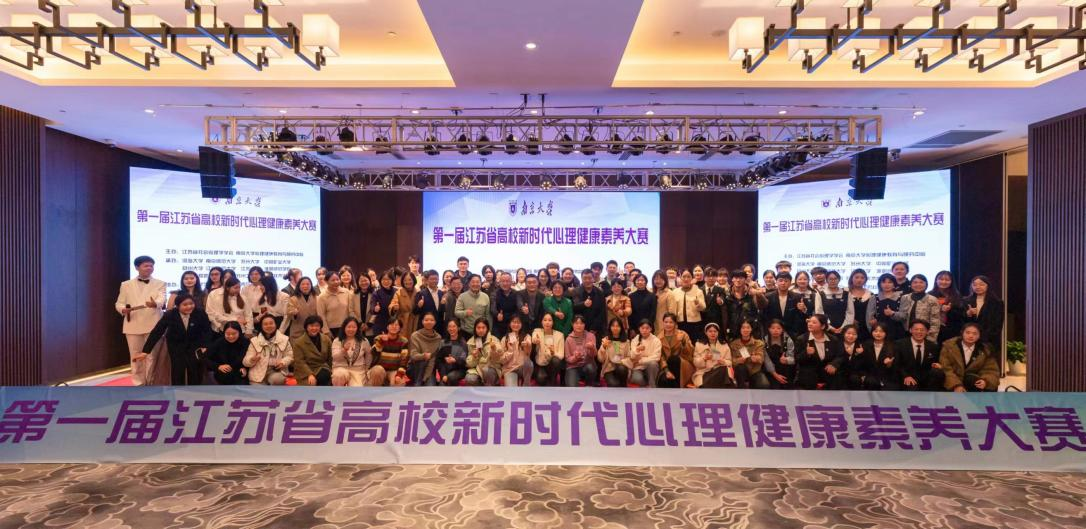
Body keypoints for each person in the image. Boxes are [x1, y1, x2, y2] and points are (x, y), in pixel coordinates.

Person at [115, 255, 166, 386]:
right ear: (137, 267)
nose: (149, 268)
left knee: (152, 356)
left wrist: (155, 304)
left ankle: (151, 382)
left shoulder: (160, 283)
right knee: (135, 355)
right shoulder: (126, 284)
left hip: (153, 323)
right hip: (132, 324)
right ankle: (138, 384)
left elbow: (162, 299)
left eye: (151, 265)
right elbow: (119, 303)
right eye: (146, 265)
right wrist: (122, 309)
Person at [142, 292, 212, 385]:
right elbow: (157, 331)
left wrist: (205, 346)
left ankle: (195, 390)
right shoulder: (170, 315)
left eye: (191, 303)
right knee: (178, 370)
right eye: (185, 305)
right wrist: (146, 351)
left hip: (195, 345)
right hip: (176, 345)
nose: (189, 307)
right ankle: (177, 390)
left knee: (195, 370)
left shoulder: (200, 313)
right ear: (178, 306)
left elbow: (207, 330)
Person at [941, 323, 999, 392]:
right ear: (962, 333)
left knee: (976, 381)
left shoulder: (985, 350)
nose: (971, 336)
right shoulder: (949, 346)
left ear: (979, 336)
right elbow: (946, 369)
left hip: (971, 381)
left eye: (975, 334)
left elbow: (991, 370)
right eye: (967, 333)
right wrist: (956, 385)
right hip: (952, 381)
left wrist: (985, 381)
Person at [795, 314, 844, 390]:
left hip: (827, 370)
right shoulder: (801, 339)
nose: (810, 324)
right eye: (809, 321)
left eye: (814, 322)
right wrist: (806, 353)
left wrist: (834, 364)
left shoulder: (833, 339)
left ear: (823, 326)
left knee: (837, 377)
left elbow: (840, 355)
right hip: (809, 372)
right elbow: (797, 358)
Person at [895, 319, 945, 391]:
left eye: (922, 330)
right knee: (911, 386)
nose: (919, 332)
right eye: (916, 329)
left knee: (938, 373)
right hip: (908, 377)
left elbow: (935, 362)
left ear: (927, 331)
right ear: (910, 330)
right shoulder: (899, 344)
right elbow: (897, 364)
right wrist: (906, 376)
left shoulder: (933, 346)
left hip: (926, 378)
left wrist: (937, 365)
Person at [331, 317, 383, 386]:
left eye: (354, 327)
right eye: (349, 327)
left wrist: (366, 368)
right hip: (341, 368)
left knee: (356, 387)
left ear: (357, 328)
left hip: (358, 371)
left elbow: (369, 355)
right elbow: (334, 357)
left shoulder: (364, 341)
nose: (351, 329)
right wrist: (343, 350)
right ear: (344, 328)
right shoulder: (337, 340)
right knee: (339, 375)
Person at [243, 313, 293, 385]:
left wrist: (283, 362)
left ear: (275, 325)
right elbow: (245, 362)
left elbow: (289, 356)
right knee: (258, 390)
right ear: (261, 326)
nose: (269, 326)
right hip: (257, 373)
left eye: (271, 323)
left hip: (276, 371)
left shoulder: (284, 339)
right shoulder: (255, 341)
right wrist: (252, 359)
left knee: (278, 380)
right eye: (265, 324)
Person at [963, 275, 1005, 356]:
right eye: (974, 284)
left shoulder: (997, 302)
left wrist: (982, 337)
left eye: (981, 284)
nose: (977, 287)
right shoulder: (965, 301)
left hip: (989, 340)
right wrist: (968, 314)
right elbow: (961, 322)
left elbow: (997, 324)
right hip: (969, 340)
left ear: (988, 286)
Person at [894, 274, 942, 342]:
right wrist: (892, 314)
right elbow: (902, 316)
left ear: (926, 284)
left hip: (925, 335)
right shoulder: (905, 297)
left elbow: (935, 322)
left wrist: (930, 339)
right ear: (911, 284)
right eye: (915, 282)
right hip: (906, 334)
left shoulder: (932, 299)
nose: (918, 284)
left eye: (921, 282)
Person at [724, 269, 768, 341]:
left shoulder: (752, 292)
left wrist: (758, 293)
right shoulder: (727, 293)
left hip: (751, 330)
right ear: (732, 279)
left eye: (741, 278)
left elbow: (763, 305)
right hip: (733, 331)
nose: (738, 280)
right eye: (736, 278)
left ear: (745, 279)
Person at [762, 271, 805, 339]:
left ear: (790, 283)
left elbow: (799, 318)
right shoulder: (768, 297)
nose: (783, 283)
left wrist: (803, 310)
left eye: (786, 281)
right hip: (772, 332)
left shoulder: (797, 297)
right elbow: (765, 316)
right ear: (776, 282)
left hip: (791, 333)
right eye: (780, 280)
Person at [292, 315, 332, 386]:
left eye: (317, 326)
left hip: (323, 368)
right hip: (305, 371)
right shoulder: (299, 342)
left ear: (320, 327)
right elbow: (300, 362)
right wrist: (310, 374)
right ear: (306, 327)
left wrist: (333, 370)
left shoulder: (326, 339)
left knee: (325, 376)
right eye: (311, 326)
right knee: (312, 383)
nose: (314, 328)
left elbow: (330, 358)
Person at [729, 320, 769, 389]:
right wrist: (738, 360)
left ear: (751, 329)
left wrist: (756, 358)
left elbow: (761, 358)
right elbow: (731, 360)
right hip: (741, 372)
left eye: (748, 327)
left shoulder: (759, 343)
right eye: (743, 328)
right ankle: (742, 390)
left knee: (764, 385)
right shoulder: (733, 344)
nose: (745, 330)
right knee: (740, 368)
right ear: (740, 330)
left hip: (755, 371)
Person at [656, 312, 694, 388]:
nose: (668, 324)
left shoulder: (683, 334)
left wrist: (683, 342)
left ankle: (678, 387)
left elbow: (690, 352)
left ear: (675, 324)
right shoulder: (658, 337)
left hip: (682, 365)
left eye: (671, 322)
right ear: (663, 323)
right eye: (666, 322)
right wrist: (667, 371)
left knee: (674, 359)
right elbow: (661, 357)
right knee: (663, 381)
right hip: (667, 366)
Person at [206, 321, 250, 385]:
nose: (231, 336)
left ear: (239, 332)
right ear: (224, 333)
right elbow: (205, 358)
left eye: (234, 333)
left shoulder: (245, 342)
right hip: (223, 372)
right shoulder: (219, 342)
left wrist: (245, 368)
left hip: (239, 372)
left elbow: (249, 359)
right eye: (228, 334)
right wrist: (218, 366)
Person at [693, 322, 734, 389]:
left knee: (723, 369)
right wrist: (704, 358)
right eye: (710, 331)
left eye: (715, 331)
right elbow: (696, 363)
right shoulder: (699, 345)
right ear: (706, 332)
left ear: (718, 333)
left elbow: (730, 362)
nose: (713, 333)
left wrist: (723, 361)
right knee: (723, 372)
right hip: (704, 373)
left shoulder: (724, 345)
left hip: (720, 372)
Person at [407, 312, 444, 386]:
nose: (429, 322)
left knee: (430, 387)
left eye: (431, 320)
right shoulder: (415, 335)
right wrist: (424, 356)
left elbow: (433, 359)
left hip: (430, 369)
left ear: (435, 322)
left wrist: (425, 377)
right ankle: (417, 383)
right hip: (415, 368)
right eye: (426, 320)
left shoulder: (438, 338)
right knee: (422, 363)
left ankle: (421, 381)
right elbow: (413, 355)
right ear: (422, 322)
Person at [864, 322, 903, 391]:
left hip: (887, 377)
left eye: (881, 331)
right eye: (875, 331)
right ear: (872, 332)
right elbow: (862, 364)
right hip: (870, 377)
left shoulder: (893, 346)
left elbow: (897, 367)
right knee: (871, 382)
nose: (878, 333)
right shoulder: (866, 344)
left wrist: (889, 365)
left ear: (886, 333)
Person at [930, 270, 965, 345]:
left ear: (951, 282)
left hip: (952, 329)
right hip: (933, 329)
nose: (944, 282)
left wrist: (950, 310)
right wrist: (940, 309)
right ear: (936, 280)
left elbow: (961, 314)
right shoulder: (930, 295)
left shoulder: (957, 295)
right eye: (941, 279)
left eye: (947, 280)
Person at [672, 269, 707, 343]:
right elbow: (673, 310)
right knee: (681, 344)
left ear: (692, 278)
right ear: (680, 278)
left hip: (695, 324)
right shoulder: (675, 292)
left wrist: (698, 303)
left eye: (688, 277)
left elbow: (703, 308)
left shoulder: (698, 291)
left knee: (693, 344)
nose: (686, 279)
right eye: (684, 276)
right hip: (680, 323)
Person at [564, 315, 599, 387]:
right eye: (576, 323)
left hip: (587, 365)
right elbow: (567, 358)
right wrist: (575, 357)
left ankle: (589, 385)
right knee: (572, 387)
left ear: (584, 325)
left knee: (590, 367)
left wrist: (592, 348)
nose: (579, 326)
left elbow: (594, 355)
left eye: (581, 323)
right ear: (572, 324)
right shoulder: (568, 339)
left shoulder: (591, 336)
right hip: (573, 367)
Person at [499, 315, 534, 387]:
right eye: (514, 322)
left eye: (518, 322)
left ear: (522, 324)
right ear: (510, 324)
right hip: (509, 370)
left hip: (522, 367)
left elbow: (528, 354)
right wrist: (510, 351)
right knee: (512, 391)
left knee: (529, 363)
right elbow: (501, 360)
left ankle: (526, 386)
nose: (516, 324)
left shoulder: (527, 336)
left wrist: (527, 345)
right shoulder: (504, 339)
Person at [532, 312, 565, 386]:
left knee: (556, 360)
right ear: (541, 322)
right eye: (545, 320)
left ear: (553, 322)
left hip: (552, 364)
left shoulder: (560, 335)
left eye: (550, 320)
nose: (547, 322)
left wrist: (553, 352)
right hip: (541, 363)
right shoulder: (537, 331)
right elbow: (534, 338)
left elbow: (561, 355)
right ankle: (548, 381)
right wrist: (535, 340)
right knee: (541, 379)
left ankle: (552, 380)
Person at [374, 318, 410, 386]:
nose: (394, 327)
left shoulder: (404, 341)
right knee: (377, 371)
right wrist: (381, 342)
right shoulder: (379, 338)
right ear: (387, 327)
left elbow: (404, 360)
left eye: (396, 325)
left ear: (400, 328)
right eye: (391, 324)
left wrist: (399, 375)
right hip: (380, 369)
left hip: (394, 370)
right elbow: (373, 354)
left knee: (400, 382)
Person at [572, 269, 607, 340]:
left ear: (593, 279)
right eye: (585, 278)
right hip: (580, 328)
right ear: (581, 279)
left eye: (590, 278)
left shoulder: (599, 292)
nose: (587, 280)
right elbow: (574, 307)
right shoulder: (576, 291)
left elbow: (602, 312)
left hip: (596, 330)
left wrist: (594, 328)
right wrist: (583, 304)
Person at [465, 318, 500, 386]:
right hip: (477, 369)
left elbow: (499, 359)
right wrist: (474, 357)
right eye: (478, 328)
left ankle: (489, 389)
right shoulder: (471, 342)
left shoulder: (494, 340)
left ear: (487, 329)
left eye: (483, 328)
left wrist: (494, 350)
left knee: (487, 371)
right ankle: (480, 390)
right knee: (469, 378)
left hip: (492, 367)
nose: (481, 330)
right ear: (475, 329)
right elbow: (469, 364)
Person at [869, 273, 903, 342]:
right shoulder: (874, 297)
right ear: (880, 284)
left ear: (894, 284)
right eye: (884, 282)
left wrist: (892, 313)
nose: (886, 285)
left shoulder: (902, 297)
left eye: (890, 282)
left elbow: (904, 315)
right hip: (878, 332)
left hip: (897, 332)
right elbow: (869, 316)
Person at [627, 320, 662, 387]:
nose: (644, 330)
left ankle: (652, 385)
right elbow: (632, 357)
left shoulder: (656, 340)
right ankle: (646, 384)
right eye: (642, 328)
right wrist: (637, 350)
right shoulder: (635, 340)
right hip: (638, 367)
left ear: (651, 329)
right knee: (636, 379)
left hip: (650, 367)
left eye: (647, 328)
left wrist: (640, 361)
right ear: (639, 329)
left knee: (653, 364)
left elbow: (656, 357)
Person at [317, 270, 351, 338]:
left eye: (337, 279)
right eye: (332, 280)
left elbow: (351, 310)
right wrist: (326, 331)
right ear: (326, 281)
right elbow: (321, 315)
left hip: (347, 327)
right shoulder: (322, 297)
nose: (336, 282)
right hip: (331, 329)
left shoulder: (346, 292)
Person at [839, 325, 874, 390]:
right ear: (843, 333)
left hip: (856, 374)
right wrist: (847, 354)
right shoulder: (837, 344)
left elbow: (865, 365)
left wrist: (862, 354)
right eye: (848, 333)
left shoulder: (861, 346)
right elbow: (837, 362)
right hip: (840, 373)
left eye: (854, 334)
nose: (851, 336)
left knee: (855, 379)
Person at [843, 269, 874, 342]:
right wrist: (850, 319)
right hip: (847, 326)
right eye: (856, 277)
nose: (859, 280)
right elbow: (840, 309)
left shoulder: (870, 294)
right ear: (851, 278)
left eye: (862, 278)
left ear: (865, 280)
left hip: (865, 327)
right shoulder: (844, 292)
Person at [599, 318, 632, 388]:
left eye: (617, 326)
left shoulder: (626, 342)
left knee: (621, 369)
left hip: (621, 366)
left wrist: (621, 362)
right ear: (610, 327)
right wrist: (603, 347)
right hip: (609, 368)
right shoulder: (605, 340)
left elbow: (629, 358)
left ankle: (624, 386)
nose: (615, 328)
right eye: (613, 326)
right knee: (613, 385)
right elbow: (600, 359)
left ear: (621, 328)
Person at [435, 319, 469, 386]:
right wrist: (443, 374)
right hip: (445, 371)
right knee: (441, 385)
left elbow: (464, 361)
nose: (451, 329)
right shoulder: (443, 343)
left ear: (458, 328)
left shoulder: (463, 343)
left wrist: (455, 360)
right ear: (447, 329)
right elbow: (439, 361)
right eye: (449, 326)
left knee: (451, 377)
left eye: (454, 326)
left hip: (459, 370)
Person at [763, 319, 796, 388]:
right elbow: (766, 360)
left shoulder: (788, 340)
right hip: (770, 371)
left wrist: (787, 360)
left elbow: (793, 358)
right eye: (773, 328)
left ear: (782, 329)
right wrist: (775, 375)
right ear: (769, 329)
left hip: (785, 368)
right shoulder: (764, 340)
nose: (775, 330)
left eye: (778, 328)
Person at [490, 271, 519, 337]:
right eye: (503, 281)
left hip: (513, 324)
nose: (505, 283)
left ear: (511, 282)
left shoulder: (516, 293)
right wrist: (497, 314)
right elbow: (492, 308)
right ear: (499, 282)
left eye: (507, 281)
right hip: (498, 325)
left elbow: (518, 308)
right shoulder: (494, 293)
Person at [393, 271, 420, 339]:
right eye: (405, 280)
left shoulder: (418, 292)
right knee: (403, 341)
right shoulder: (398, 293)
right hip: (403, 321)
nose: (407, 282)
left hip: (415, 321)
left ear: (414, 280)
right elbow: (393, 304)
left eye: (410, 279)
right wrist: (394, 308)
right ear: (402, 281)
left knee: (414, 340)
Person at [371, 269, 398, 336]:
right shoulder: (376, 293)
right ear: (380, 280)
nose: (386, 281)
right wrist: (375, 309)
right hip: (380, 324)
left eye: (388, 279)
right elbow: (372, 307)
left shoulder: (397, 292)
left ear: (392, 280)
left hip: (394, 324)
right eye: (384, 279)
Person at [651, 270, 678, 337]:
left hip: (664, 326)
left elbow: (672, 312)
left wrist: (669, 324)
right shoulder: (651, 292)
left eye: (661, 279)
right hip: (652, 325)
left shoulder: (669, 293)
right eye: (656, 279)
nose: (658, 281)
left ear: (665, 280)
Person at [821, 271, 848, 335]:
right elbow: (819, 312)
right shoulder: (820, 294)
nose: (833, 281)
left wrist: (844, 326)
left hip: (844, 328)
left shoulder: (846, 293)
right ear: (826, 280)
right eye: (830, 279)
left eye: (835, 279)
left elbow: (850, 312)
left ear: (839, 280)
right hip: (826, 327)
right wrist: (829, 327)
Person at [353, 274, 376, 340]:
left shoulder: (375, 294)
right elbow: (351, 310)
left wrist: (369, 324)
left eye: (365, 280)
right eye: (361, 281)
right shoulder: (353, 295)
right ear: (357, 282)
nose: (363, 283)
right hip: (357, 326)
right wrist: (360, 323)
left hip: (371, 327)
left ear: (369, 281)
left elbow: (376, 311)